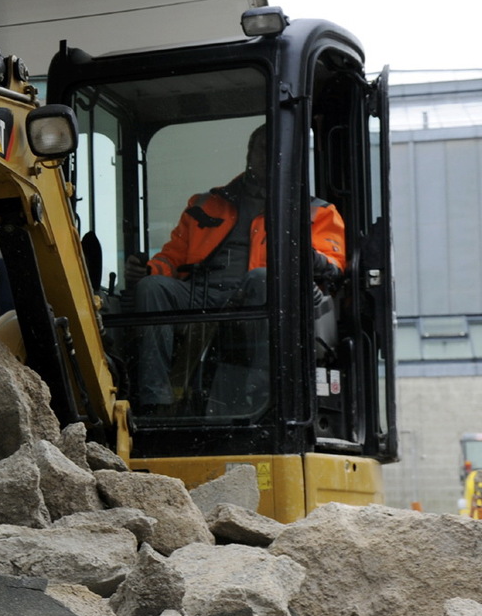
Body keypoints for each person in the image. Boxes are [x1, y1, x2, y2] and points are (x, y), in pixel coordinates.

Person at [124, 124, 346, 412]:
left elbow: (334, 264)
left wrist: (306, 255)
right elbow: (172, 257)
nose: (268, 155)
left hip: (255, 303)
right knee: (152, 287)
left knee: (263, 279)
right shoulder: (206, 204)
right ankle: (155, 400)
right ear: (249, 153)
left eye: (276, 149)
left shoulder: (316, 212)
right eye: (262, 148)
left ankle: (261, 399)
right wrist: (149, 270)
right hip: (199, 296)